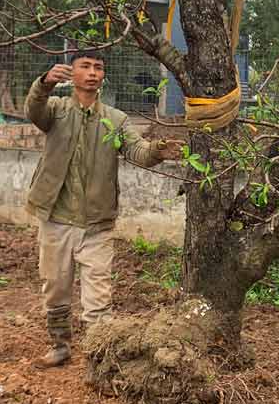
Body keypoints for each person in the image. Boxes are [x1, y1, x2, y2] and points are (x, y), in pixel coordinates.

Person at [24, 49, 182, 367]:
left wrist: (158, 150)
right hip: (56, 218)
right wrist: (44, 83)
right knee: (56, 288)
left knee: (98, 296)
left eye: (98, 67)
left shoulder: (115, 119)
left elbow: (137, 151)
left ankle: (99, 358)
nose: (92, 72)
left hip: (97, 223)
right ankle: (59, 345)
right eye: (85, 66)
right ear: (72, 73)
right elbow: (33, 110)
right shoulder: (56, 110)